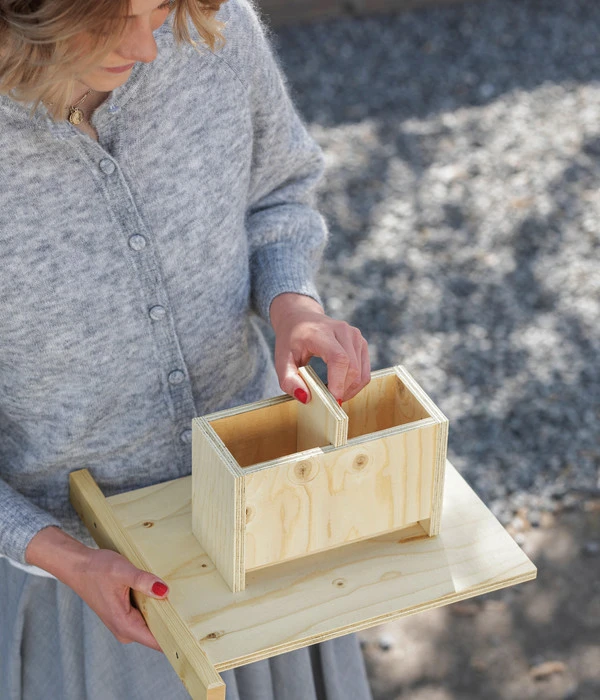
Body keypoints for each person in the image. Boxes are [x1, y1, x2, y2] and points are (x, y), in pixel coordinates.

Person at [0, 0, 374, 698]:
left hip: (267, 511)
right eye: (113, 19)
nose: (148, 47)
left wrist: (292, 303)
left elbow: (278, 191)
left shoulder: (211, 26)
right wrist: (65, 557)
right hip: (90, 592)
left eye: (160, 8)